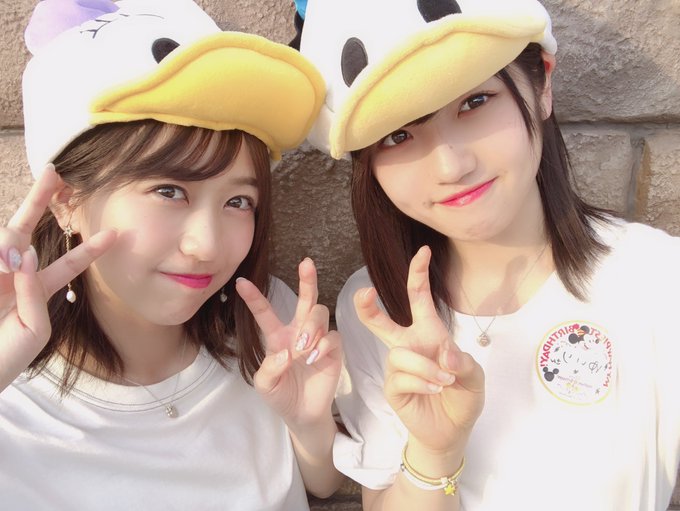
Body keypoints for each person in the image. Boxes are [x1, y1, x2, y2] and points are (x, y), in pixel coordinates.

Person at [289, 0, 680, 510]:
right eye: (398, 135)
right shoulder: (377, 309)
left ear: (542, 83)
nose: (450, 165)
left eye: (475, 102)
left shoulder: (657, 279)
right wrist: (435, 452)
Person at [0, 0, 345, 508]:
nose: (207, 246)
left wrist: (309, 422)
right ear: (66, 201)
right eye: (169, 191)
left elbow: (322, 484)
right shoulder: (11, 394)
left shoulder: (267, 324)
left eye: (238, 201)